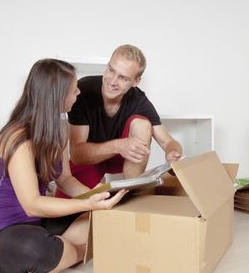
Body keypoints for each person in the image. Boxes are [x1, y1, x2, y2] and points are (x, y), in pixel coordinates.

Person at [0, 59, 127, 273]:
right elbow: (32, 205)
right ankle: (72, 253)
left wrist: (96, 198)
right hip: (3, 235)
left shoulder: (57, 131)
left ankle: (56, 258)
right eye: (73, 89)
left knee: (99, 217)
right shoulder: (15, 138)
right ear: (57, 96)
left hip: (39, 223)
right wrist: (87, 204)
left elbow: (65, 178)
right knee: (36, 248)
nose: (78, 92)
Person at [56, 44, 183, 196]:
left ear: (136, 81)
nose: (112, 81)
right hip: (89, 158)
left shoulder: (139, 100)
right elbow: (77, 155)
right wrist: (117, 146)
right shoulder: (82, 91)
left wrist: (173, 153)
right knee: (69, 207)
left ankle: (130, 193)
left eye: (123, 78)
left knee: (142, 123)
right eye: (111, 70)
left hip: (123, 158)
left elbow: (168, 142)